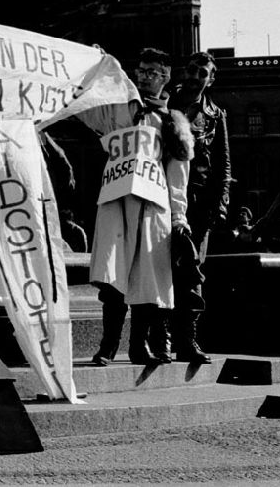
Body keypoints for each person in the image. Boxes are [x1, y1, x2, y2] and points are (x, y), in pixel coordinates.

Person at [78, 49, 194, 366]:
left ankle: (138, 346)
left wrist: (179, 216)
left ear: (166, 77)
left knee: (146, 280)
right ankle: (107, 346)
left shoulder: (171, 121)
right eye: (141, 70)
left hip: (152, 208)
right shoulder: (119, 108)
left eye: (152, 71)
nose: (144, 76)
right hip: (117, 202)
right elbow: (84, 110)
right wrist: (87, 68)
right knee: (113, 276)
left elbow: (177, 176)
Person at [170, 52, 231, 364]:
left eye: (203, 72)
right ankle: (159, 339)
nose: (196, 76)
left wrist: (220, 205)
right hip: (163, 196)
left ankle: (187, 340)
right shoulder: (166, 103)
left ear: (211, 78)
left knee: (192, 273)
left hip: (199, 204)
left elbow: (223, 164)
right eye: (192, 70)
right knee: (160, 268)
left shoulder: (216, 115)